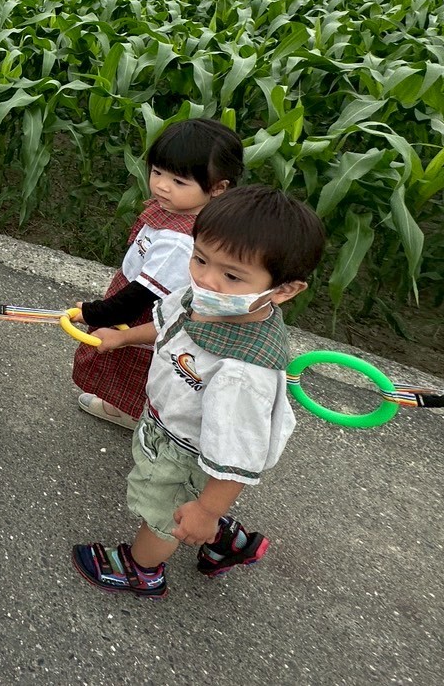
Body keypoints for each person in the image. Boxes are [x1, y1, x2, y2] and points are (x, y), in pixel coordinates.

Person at [71, 184, 326, 598]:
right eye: (200, 258)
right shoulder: (207, 299)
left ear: (284, 290)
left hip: (186, 450)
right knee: (184, 503)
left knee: (163, 514)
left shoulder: (243, 372)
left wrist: (206, 510)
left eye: (231, 275)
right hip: (168, 423)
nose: (206, 279)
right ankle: (228, 541)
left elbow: (237, 455)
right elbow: (169, 322)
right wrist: (125, 337)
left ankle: (142, 570)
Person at [73, 118, 244, 430]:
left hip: (145, 314)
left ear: (218, 188)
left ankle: (129, 412)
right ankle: (127, 407)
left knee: (134, 363)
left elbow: (140, 296)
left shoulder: (180, 241)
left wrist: (94, 312)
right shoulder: (176, 209)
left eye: (179, 181)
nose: (162, 186)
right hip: (140, 296)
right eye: (157, 172)